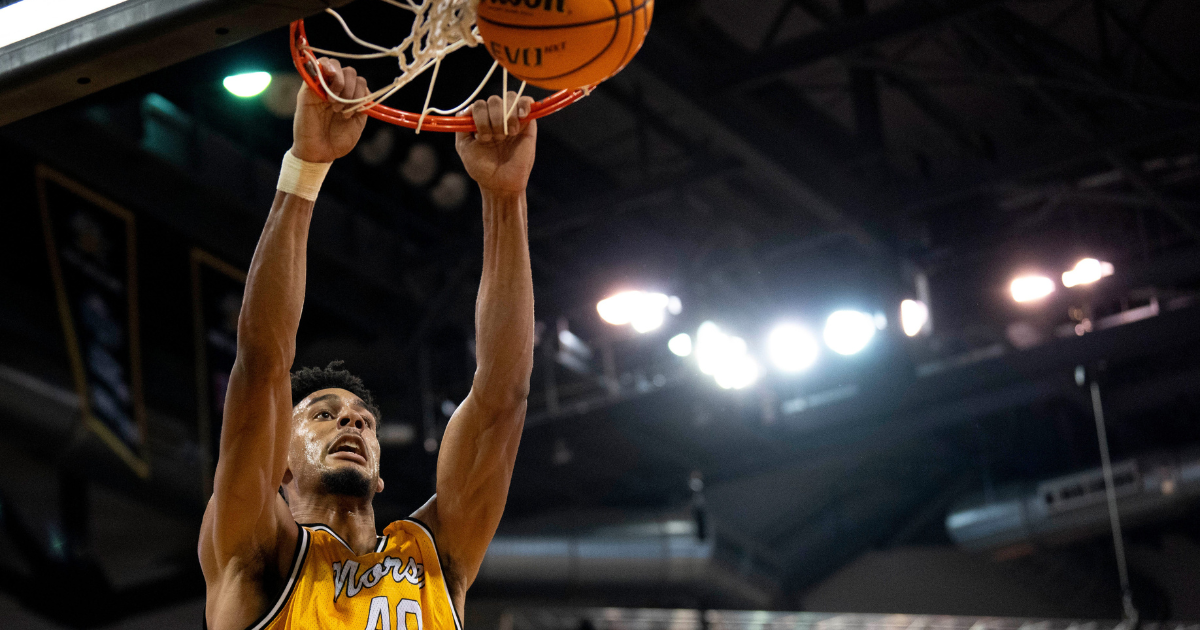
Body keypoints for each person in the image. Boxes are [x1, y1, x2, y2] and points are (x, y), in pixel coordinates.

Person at [199, 58, 536, 630]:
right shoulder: (259, 555)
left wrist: (505, 199)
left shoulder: (435, 559)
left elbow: (502, 396)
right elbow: (262, 366)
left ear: (380, 472)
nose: (351, 425)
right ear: (279, 458)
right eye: (324, 416)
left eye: (363, 421)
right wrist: (305, 168)